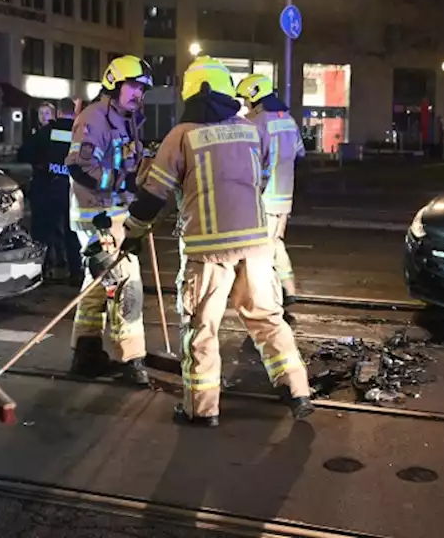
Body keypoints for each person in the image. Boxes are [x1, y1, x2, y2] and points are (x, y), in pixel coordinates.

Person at [120, 59, 313, 427]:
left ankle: (202, 409)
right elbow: (262, 176)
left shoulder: (182, 135)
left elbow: (152, 196)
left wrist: (132, 232)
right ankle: (297, 389)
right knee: (269, 320)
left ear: (191, 91)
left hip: (208, 252)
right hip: (256, 245)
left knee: (201, 328)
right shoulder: (249, 130)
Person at [64, 54, 153, 385]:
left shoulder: (126, 118)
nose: (138, 94)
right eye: (133, 86)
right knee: (126, 283)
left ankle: (85, 353)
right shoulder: (95, 118)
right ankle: (131, 359)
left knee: (98, 286)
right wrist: (121, 182)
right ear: (114, 82)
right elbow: (80, 167)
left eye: (142, 89)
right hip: (97, 215)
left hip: (115, 212)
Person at [236, 73, 306, 323]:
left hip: (262, 198)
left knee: (259, 254)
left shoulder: (256, 124)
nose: (245, 105)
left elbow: (251, 162)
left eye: (246, 99)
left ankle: (271, 303)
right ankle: (289, 288)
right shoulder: (288, 120)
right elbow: (299, 153)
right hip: (284, 197)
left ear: (255, 96)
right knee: (275, 243)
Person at [19, 98, 81, 285]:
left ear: (59, 112)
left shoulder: (46, 132)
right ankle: (76, 273)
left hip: (47, 188)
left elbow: (23, 153)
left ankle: (41, 271)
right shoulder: (80, 132)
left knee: (42, 233)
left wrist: (41, 164)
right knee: (72, 233)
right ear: (74, 112)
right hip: (72, 191)